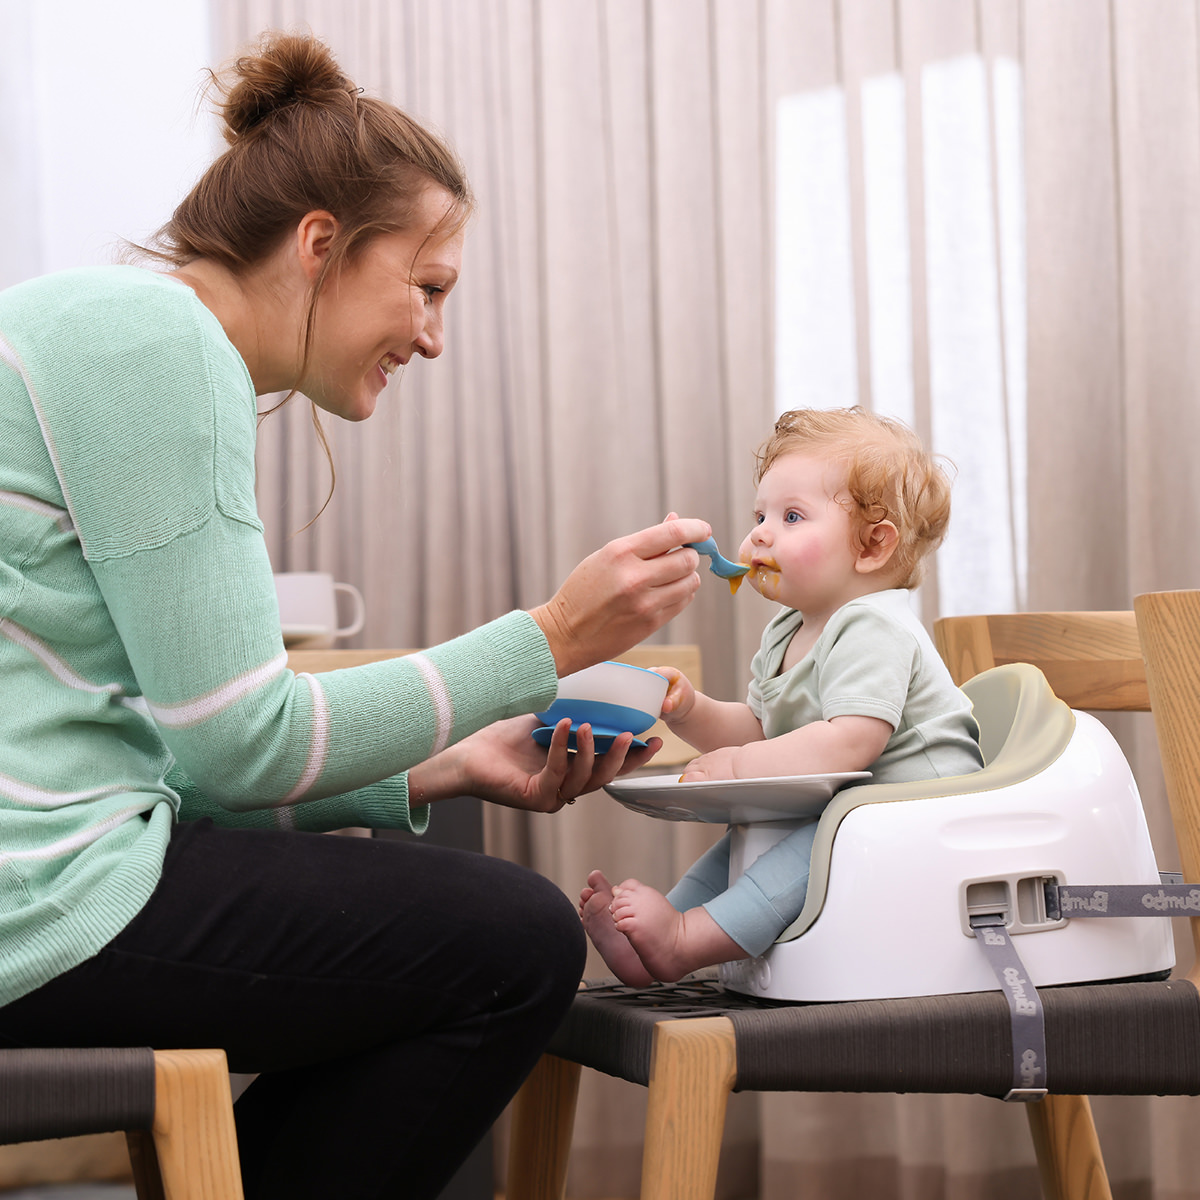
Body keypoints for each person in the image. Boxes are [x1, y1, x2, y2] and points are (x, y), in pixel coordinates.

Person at [0, 32, 713, 1200]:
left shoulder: (114, 330)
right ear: (320, 244)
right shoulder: (159, 346)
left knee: (467, 936)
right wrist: (550, 639)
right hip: (33, 895)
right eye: (426, 288)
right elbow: (246, 743)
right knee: (515, 942)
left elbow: (193, 754)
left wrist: (440, 769)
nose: (433, 335)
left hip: (46, 863)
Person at [581, 406, 984, 986]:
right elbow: (766, 731)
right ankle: (653, 943)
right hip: (854, 800)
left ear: (872, 545)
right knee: (747, 843)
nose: (759, 533)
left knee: (815, 845)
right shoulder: (787, 631)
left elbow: (850, 740)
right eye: (761, 513)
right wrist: (693, 711)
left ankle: (686, 942)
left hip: (916, 806)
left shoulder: (874, 626)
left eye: (792, 516)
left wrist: (739, 765)